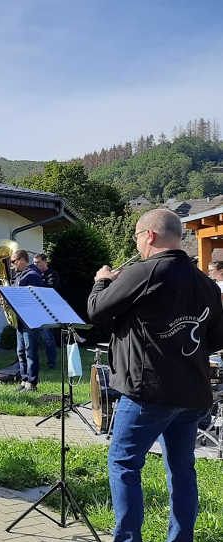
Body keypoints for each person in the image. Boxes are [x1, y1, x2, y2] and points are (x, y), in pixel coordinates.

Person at [87, 209, 223, 541]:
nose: (137, 242)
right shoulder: (206, 284)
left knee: (124, 464)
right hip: (192, 393)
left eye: (136, 236)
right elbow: (217, 341)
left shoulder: (143, 271)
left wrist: (102, 280)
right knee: (182, 470)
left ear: (148, 235)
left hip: (148, 392)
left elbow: (96, 310)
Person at [0, 249, 42, 392]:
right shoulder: (20, 276)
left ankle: (32, 383)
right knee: (21, 352)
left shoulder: (33, 275)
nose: (12, 266)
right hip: (21, 320)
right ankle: (24, 381)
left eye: (13, 262)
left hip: (30, 319)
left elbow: (33, 298)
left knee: (30, 352)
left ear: (22, 260)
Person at [34, 253, 59, 369]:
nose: (36, 265)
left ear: (45, 262)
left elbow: (49, 289)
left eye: (38, 262)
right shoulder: (34, 274)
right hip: (35, 308)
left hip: (46, 309)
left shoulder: (52, 274)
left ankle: (51, 362)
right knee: (33, 337)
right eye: (35, 263)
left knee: (48, 337)